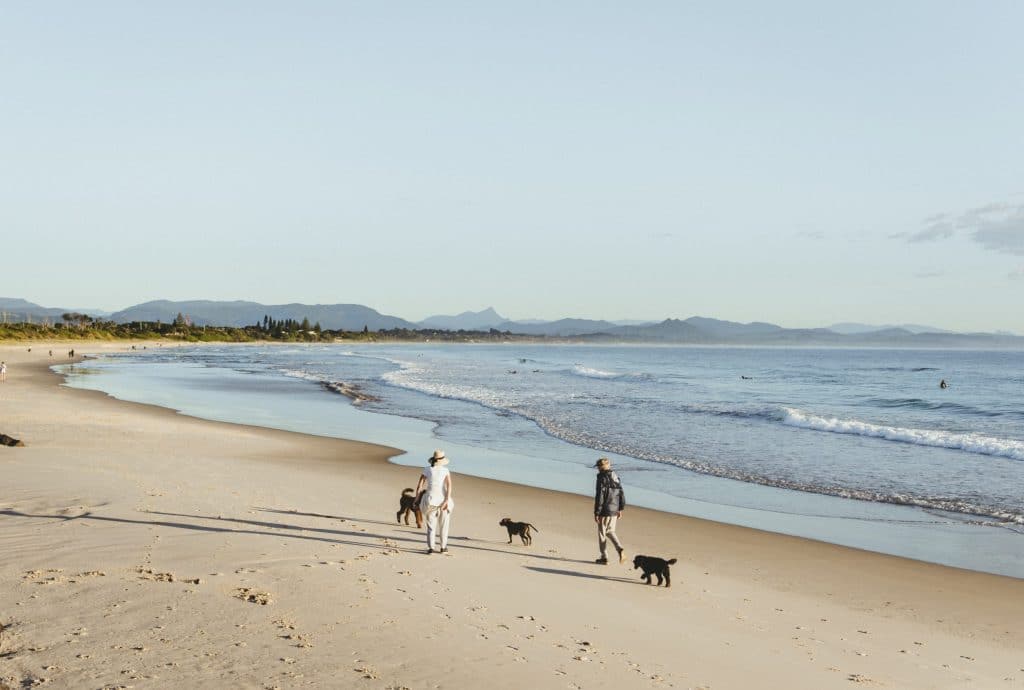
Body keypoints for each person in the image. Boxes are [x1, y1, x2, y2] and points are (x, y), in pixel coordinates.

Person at [415, 449, 454, 555]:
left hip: (430, 500)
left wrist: (417, 498)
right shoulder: (445, 470)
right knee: (444, 525)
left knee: (431, 526)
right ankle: (443, 547)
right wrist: (446, 500)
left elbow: (420, 485)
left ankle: (431, 548)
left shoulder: (427, 469)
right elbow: (449, 486)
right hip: (443, 500)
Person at [593, 457, 626, 564]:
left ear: (599, 467)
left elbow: (600, 496)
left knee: (602, 533)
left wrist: (597, 512)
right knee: (610, 531)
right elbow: (621, 493)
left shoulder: (601, 478)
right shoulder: (615, 476)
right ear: (609, 465)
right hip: (614, 509)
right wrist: (620, 508)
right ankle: (619, 549)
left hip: (604, 510)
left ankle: (604, 557)